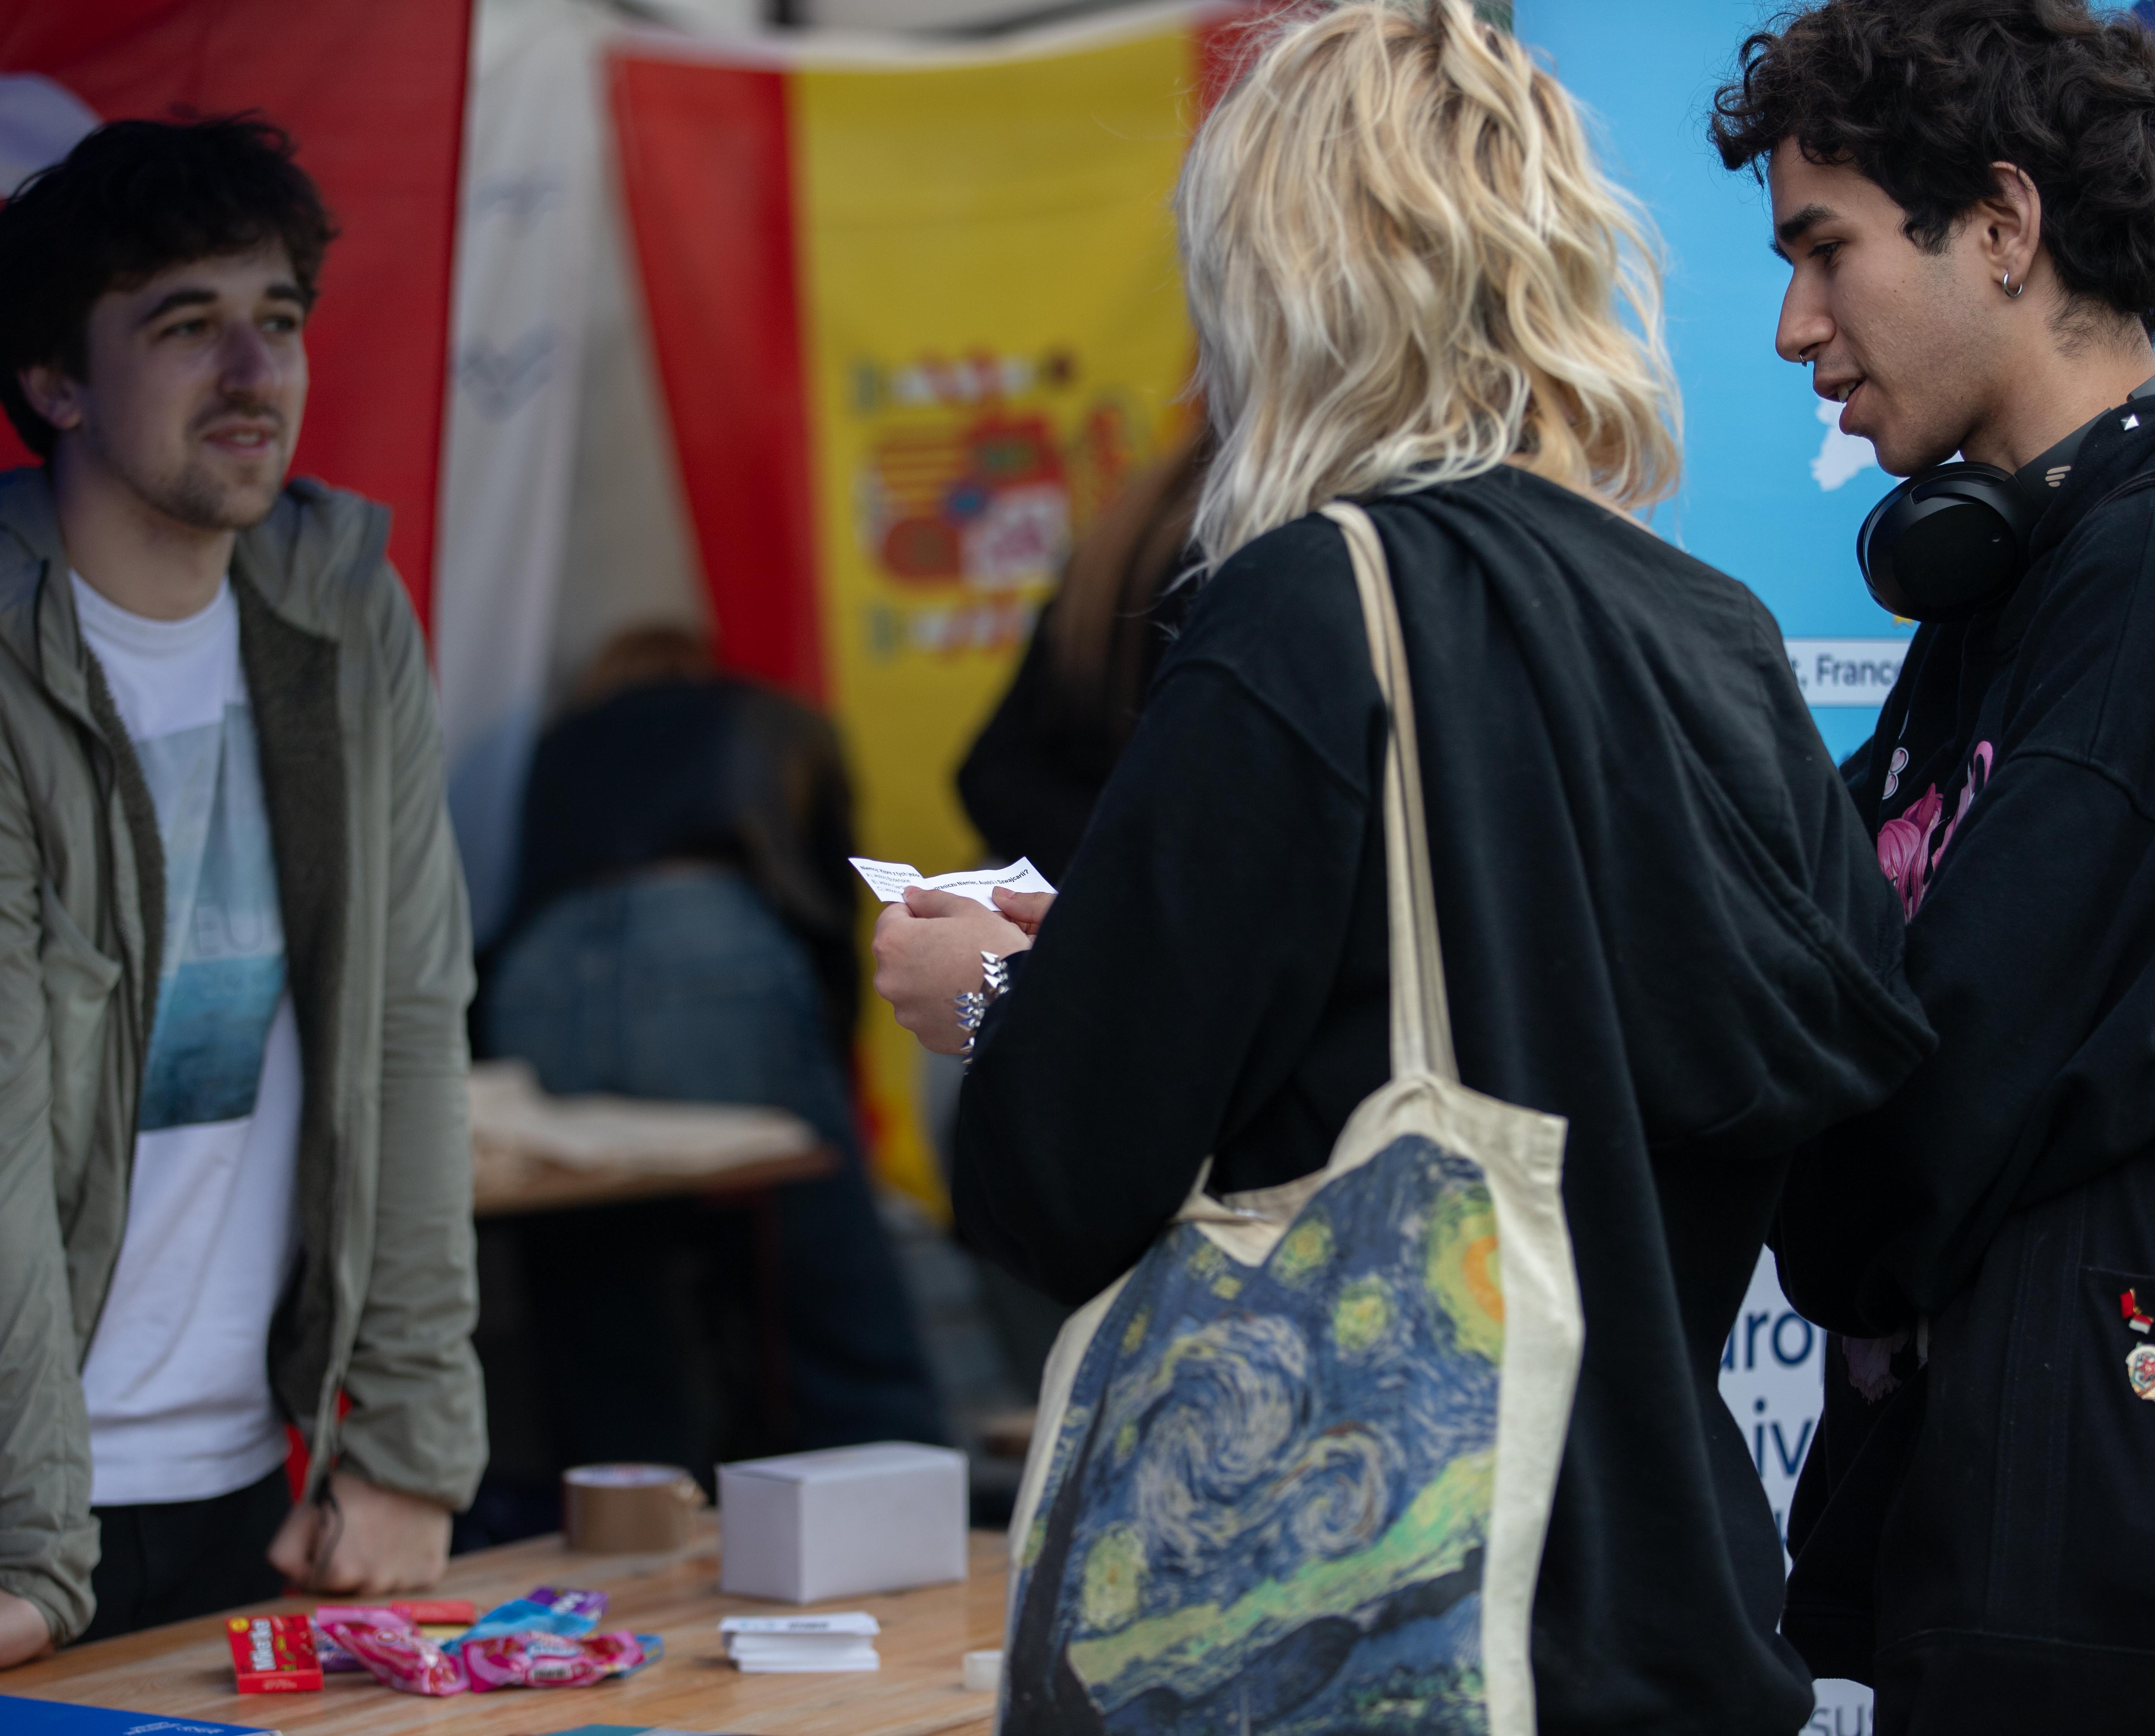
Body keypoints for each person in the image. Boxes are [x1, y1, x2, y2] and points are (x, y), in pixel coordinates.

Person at [873, 3, 1930, 1729]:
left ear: (1278, 282)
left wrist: (998, 994)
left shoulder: (1314, 611)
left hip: (1387, 1635)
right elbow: (1810, 1094)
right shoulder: (1721, 640)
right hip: (1690, 1616)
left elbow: (1061, 1183)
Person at [0, 116, 484, 1691]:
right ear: (56, 383)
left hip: (228, 1480)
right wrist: (34, 1552)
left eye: (277, 319)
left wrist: (408, 1440)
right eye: (186, 327)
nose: (252, 372)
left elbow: (406, 1026)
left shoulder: (343, 614)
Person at [1713, 2, 2155, 1723]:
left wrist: (1834, 1223)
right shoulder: (2016, 578)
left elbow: (1967, 1046)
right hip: (2027, 1539)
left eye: (1828, 250)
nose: (1797, 326)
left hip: (2126, 1585)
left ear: (2006, 225)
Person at [478, 626, 946, 1485]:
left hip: (540, 968)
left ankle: (634, 1512)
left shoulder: (561, 743)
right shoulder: (770, 717)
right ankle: (894, 1488)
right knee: (818, 1262)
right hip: (707, 941)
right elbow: (829, 903)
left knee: (600, 1272)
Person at [956, 429, 1209, 881]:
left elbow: (993, 769)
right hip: (1122, 887)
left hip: (1075, 872)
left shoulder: (1137, 522)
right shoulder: (1231, 547)